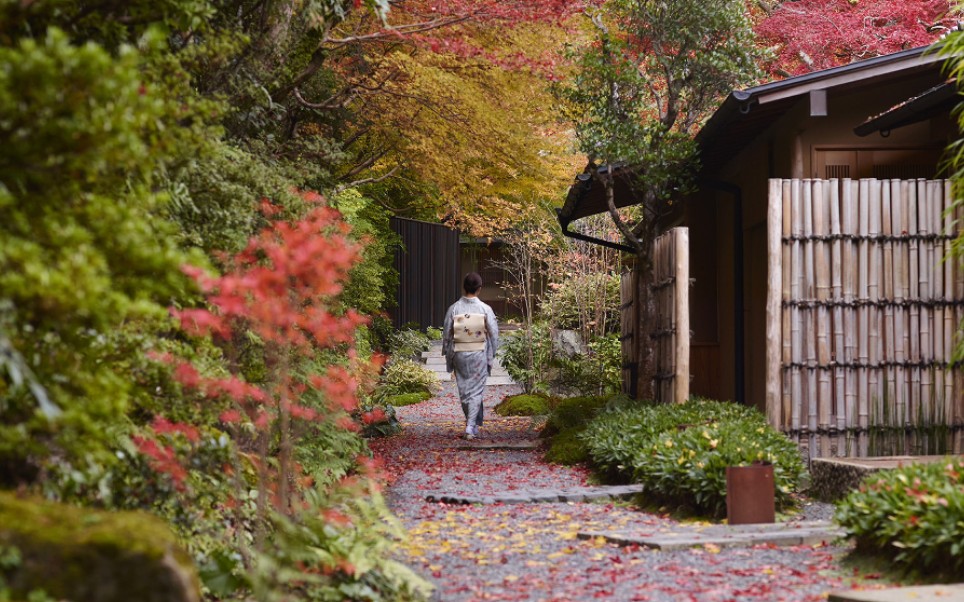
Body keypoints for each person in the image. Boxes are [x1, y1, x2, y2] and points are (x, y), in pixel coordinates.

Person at [442, 272, 499, 440]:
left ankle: (470, 422)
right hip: (478, 352)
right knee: (475, 390)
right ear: (479, 289)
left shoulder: (454, 308)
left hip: (459, 351)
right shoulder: (485, 309)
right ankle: (470, 425)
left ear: (464, 287)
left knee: (465, 389)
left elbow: (446, 333)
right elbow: (494, 334)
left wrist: (447, 353)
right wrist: (492, 353)